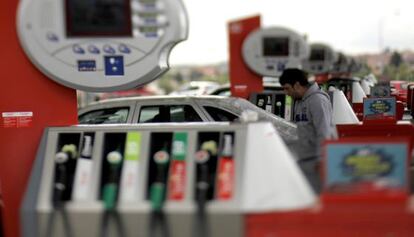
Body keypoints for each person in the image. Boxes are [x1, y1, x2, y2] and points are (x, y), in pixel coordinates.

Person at [279, 68, 338, 192]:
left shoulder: (317, 100)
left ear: (297, 84)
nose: (286, 92)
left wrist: (322, 160)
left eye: (287, 88)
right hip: (305, 160)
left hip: (317, 162)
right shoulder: (299, 101)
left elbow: (324, 131)